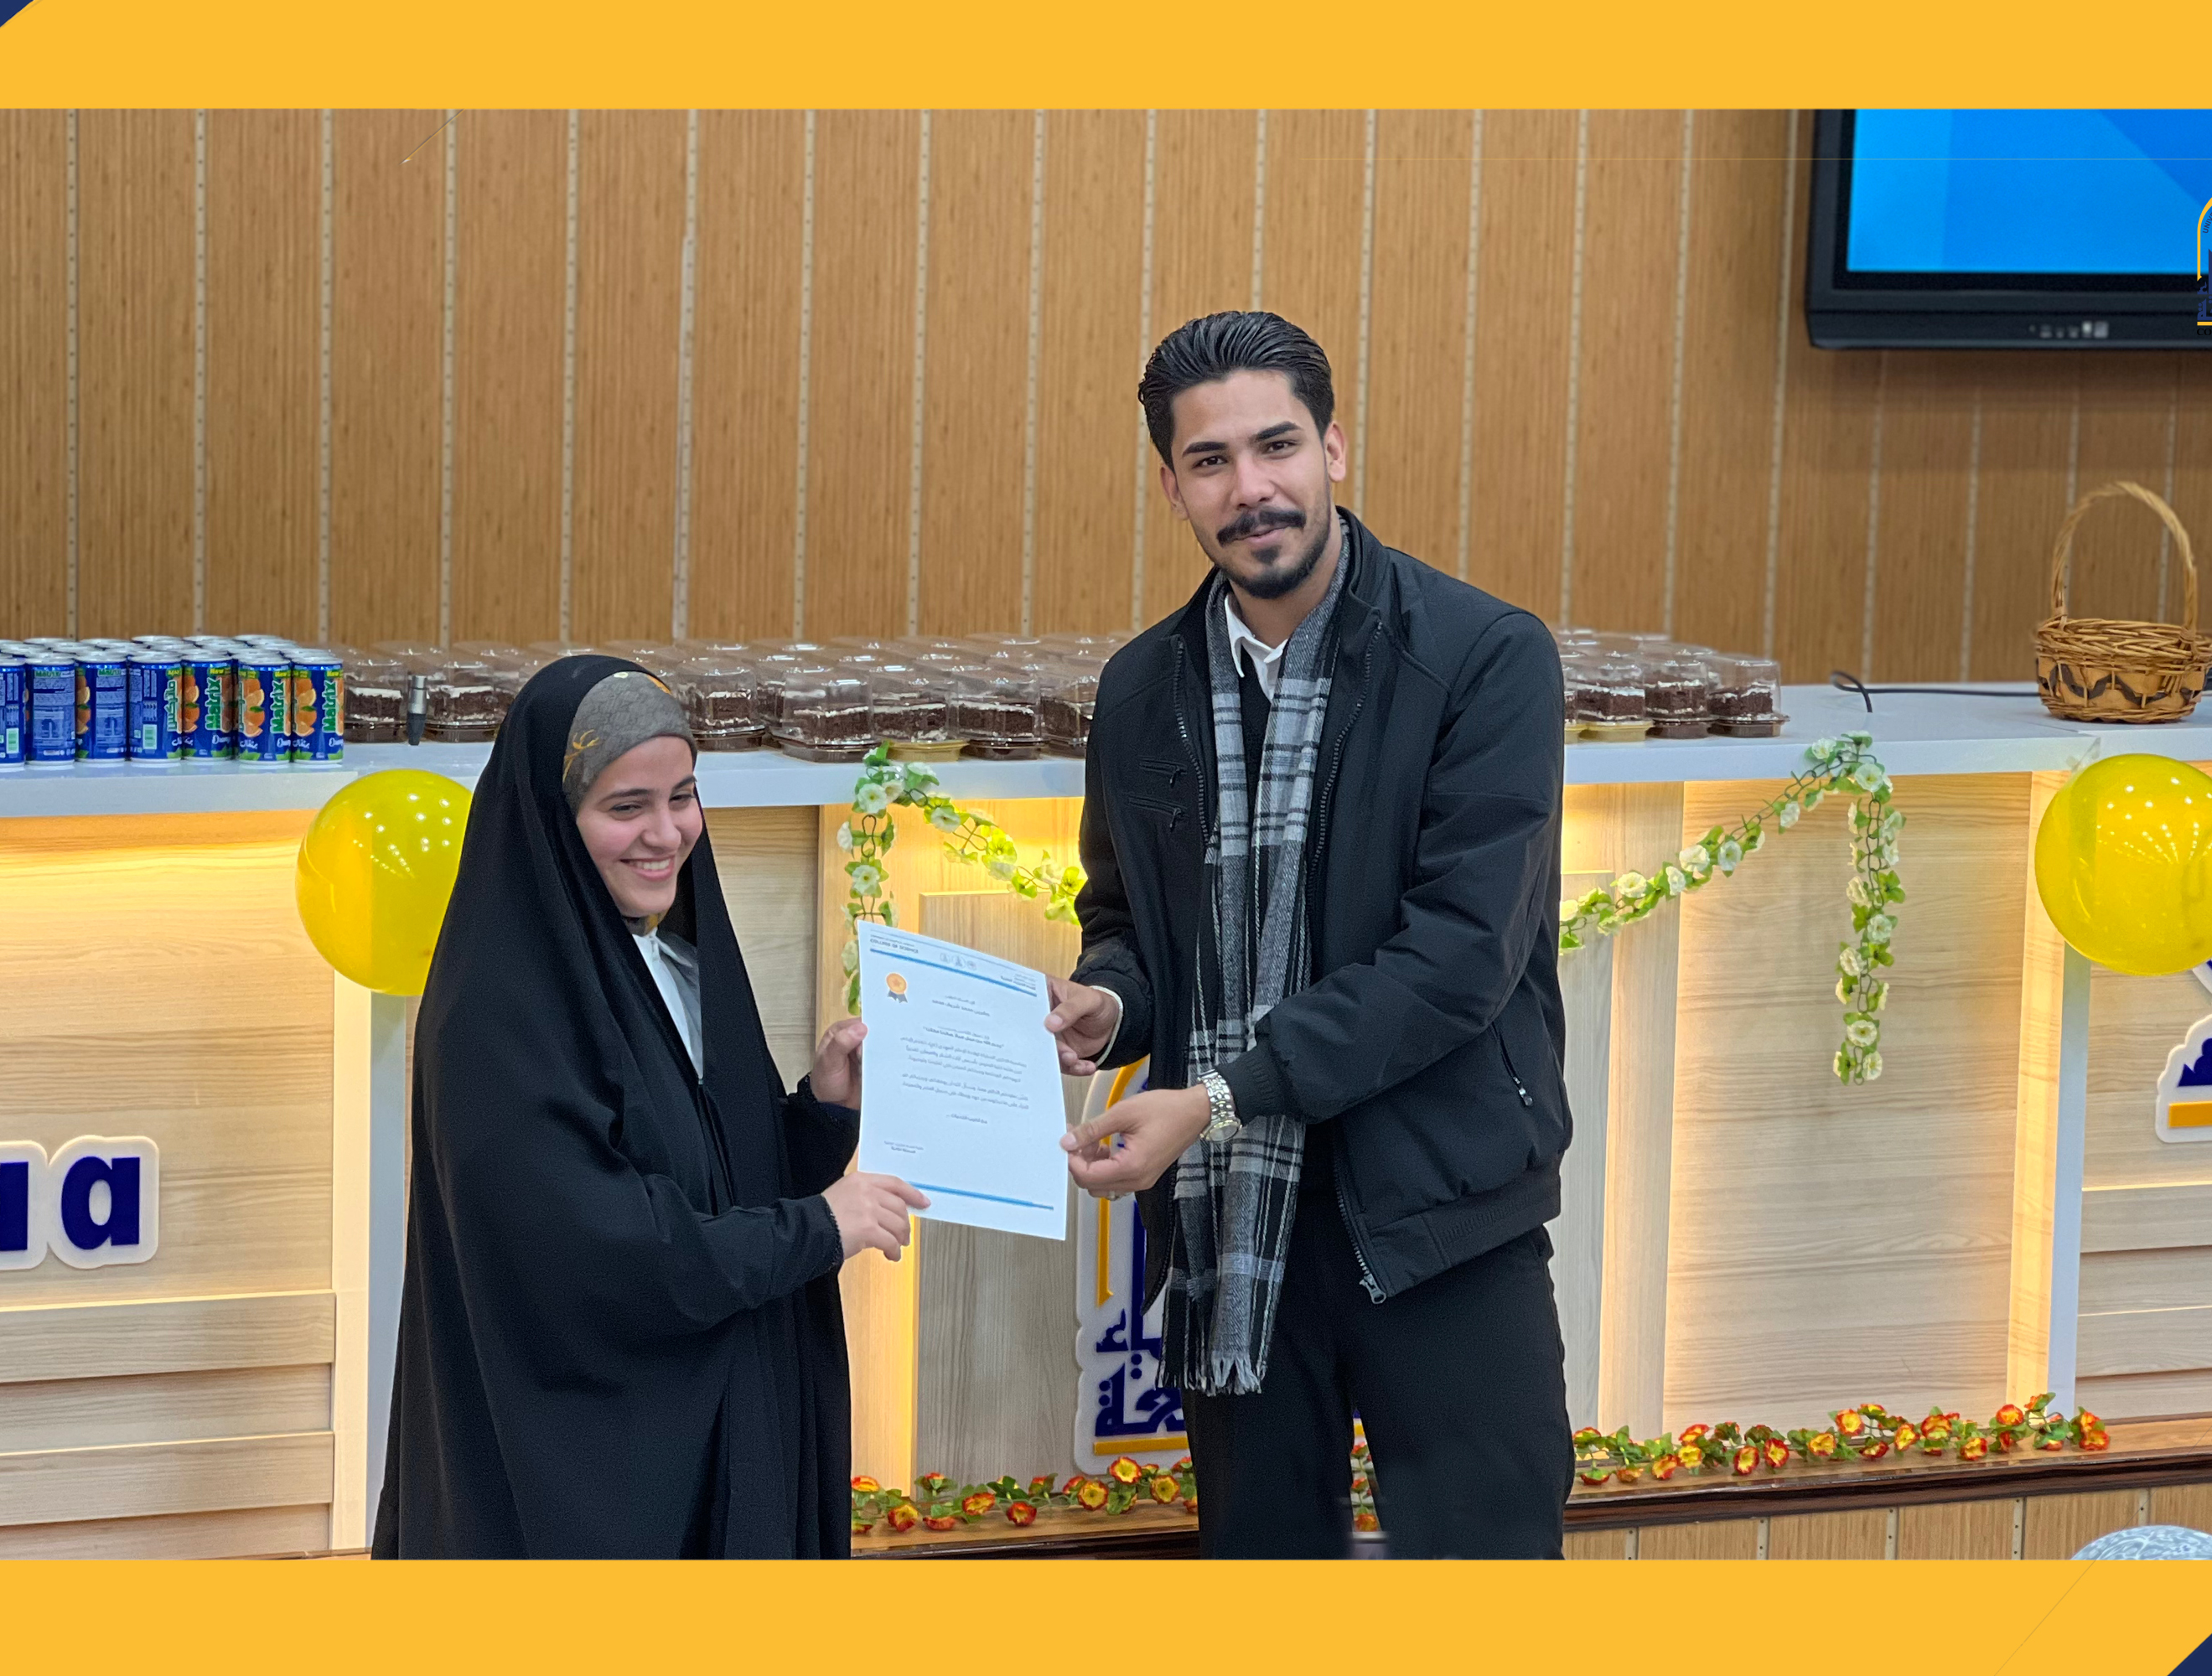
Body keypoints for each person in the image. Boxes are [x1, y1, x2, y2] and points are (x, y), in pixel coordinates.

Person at [1045, 311, 1573, 1558]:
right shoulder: (1141, 691)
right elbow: (1127, 920)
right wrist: (1108, 1005)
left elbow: (1457, 960)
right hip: (1235, 1233)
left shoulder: (1483, 659)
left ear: (1333, 448)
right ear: (1171, 485)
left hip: (1442, 1212)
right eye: (1210, 460)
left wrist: (1216, 1097)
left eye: (1275, 445)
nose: (1250, 487)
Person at [373, 657, 929, 1557]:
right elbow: (607, 1254)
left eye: (683, 796)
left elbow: (713, 1178)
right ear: (553, 817)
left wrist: (821, 1111)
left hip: (710, 1439)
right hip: (591, 1483)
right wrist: (819, 1227)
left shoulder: (671, 958)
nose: (666, 834)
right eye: (625, 806)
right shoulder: (498, 1013)